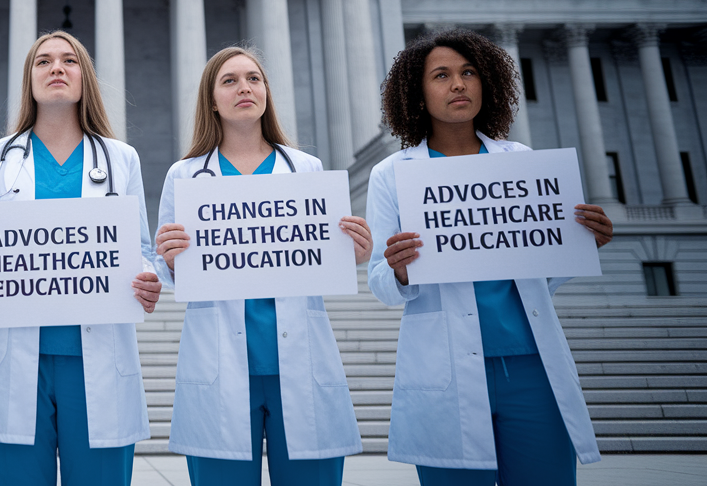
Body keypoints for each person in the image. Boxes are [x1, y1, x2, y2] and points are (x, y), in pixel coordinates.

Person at [367, 28, 612, 485]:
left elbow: (540, 277)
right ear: (417, 93)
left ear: (487, 83)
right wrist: (399, 270)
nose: (458, 84)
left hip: (531, 369)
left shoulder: (520, 159)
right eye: (441, 75)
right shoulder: (392, 174)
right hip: (446, 372)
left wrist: (577, 245)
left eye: (469, 72)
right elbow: (380, 284)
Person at [0, 31, 162, 486]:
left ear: (85, 79)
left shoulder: (121, 159)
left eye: (69, 60)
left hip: (97, 363)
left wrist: (146, 279)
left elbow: (141, 250)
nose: (57, 68)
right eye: (43, 61)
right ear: (29, 80)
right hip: (13, 360)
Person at [153, 46, 371, 486]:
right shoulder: (185, 176)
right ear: (212, 100)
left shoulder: (306, 169)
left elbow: (321, 256)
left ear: (267, 92)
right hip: (220, 363)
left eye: (254, 78)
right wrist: (170, 258)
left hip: (300, 361)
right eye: (229, 81)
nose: (244, 88)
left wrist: (354, 254)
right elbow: (168, 269)